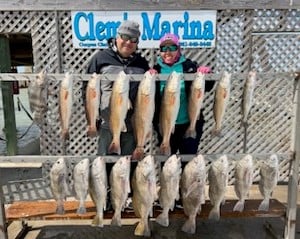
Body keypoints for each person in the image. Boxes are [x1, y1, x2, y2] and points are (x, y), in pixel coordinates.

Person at [86, 20, 150, 155]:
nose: (128, 42)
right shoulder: (100, 58)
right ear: (117, 37)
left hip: (132, 127)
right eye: (125, 37)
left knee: (127, 169)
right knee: (103, 167)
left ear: (137, 43)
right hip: (107, 125)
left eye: (133, 39)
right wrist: (92, 118)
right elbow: (87, 90)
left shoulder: (142, 63)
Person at [153, 33, 214, 155]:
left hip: (188, 123)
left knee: (189, 161)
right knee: (167, 163)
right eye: (164, 48)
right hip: (165, 124)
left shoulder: (189, 66)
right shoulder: (156, 69)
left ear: (179, 49)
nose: (168, 52)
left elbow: (207, 88)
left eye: (172, 48)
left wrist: (207, 75)